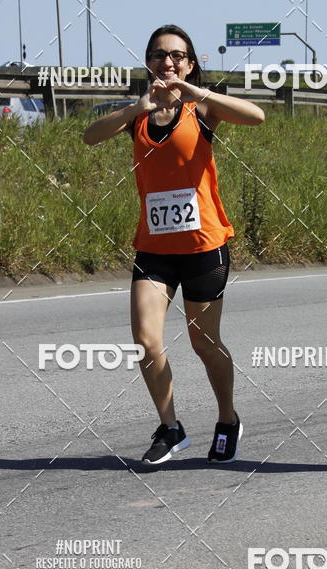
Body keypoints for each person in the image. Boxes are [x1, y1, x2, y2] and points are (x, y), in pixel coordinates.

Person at [84, 25, 264, 465]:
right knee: (145, 340)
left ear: (190, 62)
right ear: (148, 61)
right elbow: (90, 136)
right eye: (159, 55)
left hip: (204, 245)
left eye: (177, 55)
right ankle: (171, 427)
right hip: (155, 248)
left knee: (204, 343)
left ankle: (227, 418)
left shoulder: (201, 109)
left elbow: (256, 116)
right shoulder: (138, 115)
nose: (168, 62)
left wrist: (194, 92)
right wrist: (135, 107)